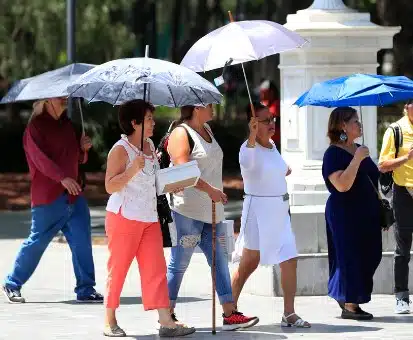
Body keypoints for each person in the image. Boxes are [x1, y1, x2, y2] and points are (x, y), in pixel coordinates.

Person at [103, 99, 195, 337]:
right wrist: (132, 169)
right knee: (119, 268)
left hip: (149, 217)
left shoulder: (150, 145)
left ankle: (166, 322)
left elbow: (152, 182)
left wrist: (171, 186)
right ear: (134, 123)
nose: (153, 123)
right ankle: (109, 320)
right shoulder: (120, 150)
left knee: (156, 269)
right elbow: (110, 186)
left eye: (152, 118)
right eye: (148, 119)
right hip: (124, 217)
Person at [166, 104, 259, 331]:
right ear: (197, 107)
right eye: (208, 103)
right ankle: (166, 314)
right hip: (188, 211)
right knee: (179, 263)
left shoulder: (207, 128)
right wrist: (210, 190)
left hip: (213, 211)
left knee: (219, 262)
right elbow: (184, 170)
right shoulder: (181, 133)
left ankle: (229, 314)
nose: (214, 106)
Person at [2, 98, 103, 304]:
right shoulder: (35, 127)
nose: (65, 98)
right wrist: (61, 178)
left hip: (74, 196)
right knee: (37, 242)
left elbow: (76, 159)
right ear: (47, 100)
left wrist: (83, 149)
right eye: (60, 96)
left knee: (83, 243)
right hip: (48, 197)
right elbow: (40, 160)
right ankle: (12, 283)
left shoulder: (68, 125)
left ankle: (86, 289)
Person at [231, 102, 310, 328]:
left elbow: (281, 168)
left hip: (279, 212)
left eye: (272, 118)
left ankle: (289, 313)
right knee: (249, 263)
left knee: (289, 258)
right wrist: (253, 135)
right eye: (266, 120)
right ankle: (230, 309)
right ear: (253, 124)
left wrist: (284, 170)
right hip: (258, 213)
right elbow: (248, 165)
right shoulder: (248, 148)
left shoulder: (273, 145)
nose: (272, 123)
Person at [322, 107, 382, 320]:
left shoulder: (359, 149)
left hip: (367, 213)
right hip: (344, 214)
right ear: (343, 126)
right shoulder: (333, 154)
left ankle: (350, 297)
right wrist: (356, 159)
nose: (359, 124)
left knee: (372, 254)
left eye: (358, 120)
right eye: (355, 121)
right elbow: (342, 185)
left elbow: (375, 176)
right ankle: (349, 303)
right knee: (349, 257)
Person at [378, 99, 413, 314]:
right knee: (403, 248)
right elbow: (382, 164)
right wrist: (406, 158)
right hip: (403, 193)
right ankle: (402, 297)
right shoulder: (396, 130)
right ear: (407, 107)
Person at [259, 80, 281, 151]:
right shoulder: (265, 104)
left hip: (275, 142)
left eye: (264, 93)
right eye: (261, 92)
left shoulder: (276, 105)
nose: (262, 95)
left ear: (271, 93)